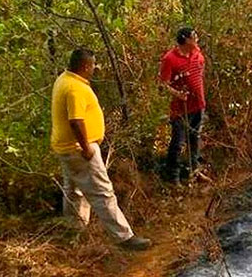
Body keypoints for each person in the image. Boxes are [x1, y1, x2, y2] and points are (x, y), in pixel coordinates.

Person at [51, 48, 151, 250]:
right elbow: (76, 121)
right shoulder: (74, 88)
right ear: (85, 66)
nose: (94, 69)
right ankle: (124, 238)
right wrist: (87, 148)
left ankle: (74, 231)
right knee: (103, 192)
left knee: (74, 190)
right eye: (93, 65)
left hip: (66, 148)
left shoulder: (64, 79)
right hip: (79, 149)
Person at [159, 27, 206, 183]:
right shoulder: (169, 59)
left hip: (198, 104)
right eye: (194, 36)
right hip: (180, 109)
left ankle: (194, 170)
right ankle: (173, 176)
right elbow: (163, 84)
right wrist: (178, 94)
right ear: (185, 40)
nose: (197, 38)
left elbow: (200, 69)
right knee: (178, 143)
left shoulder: (196, 52)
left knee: (195, 138)